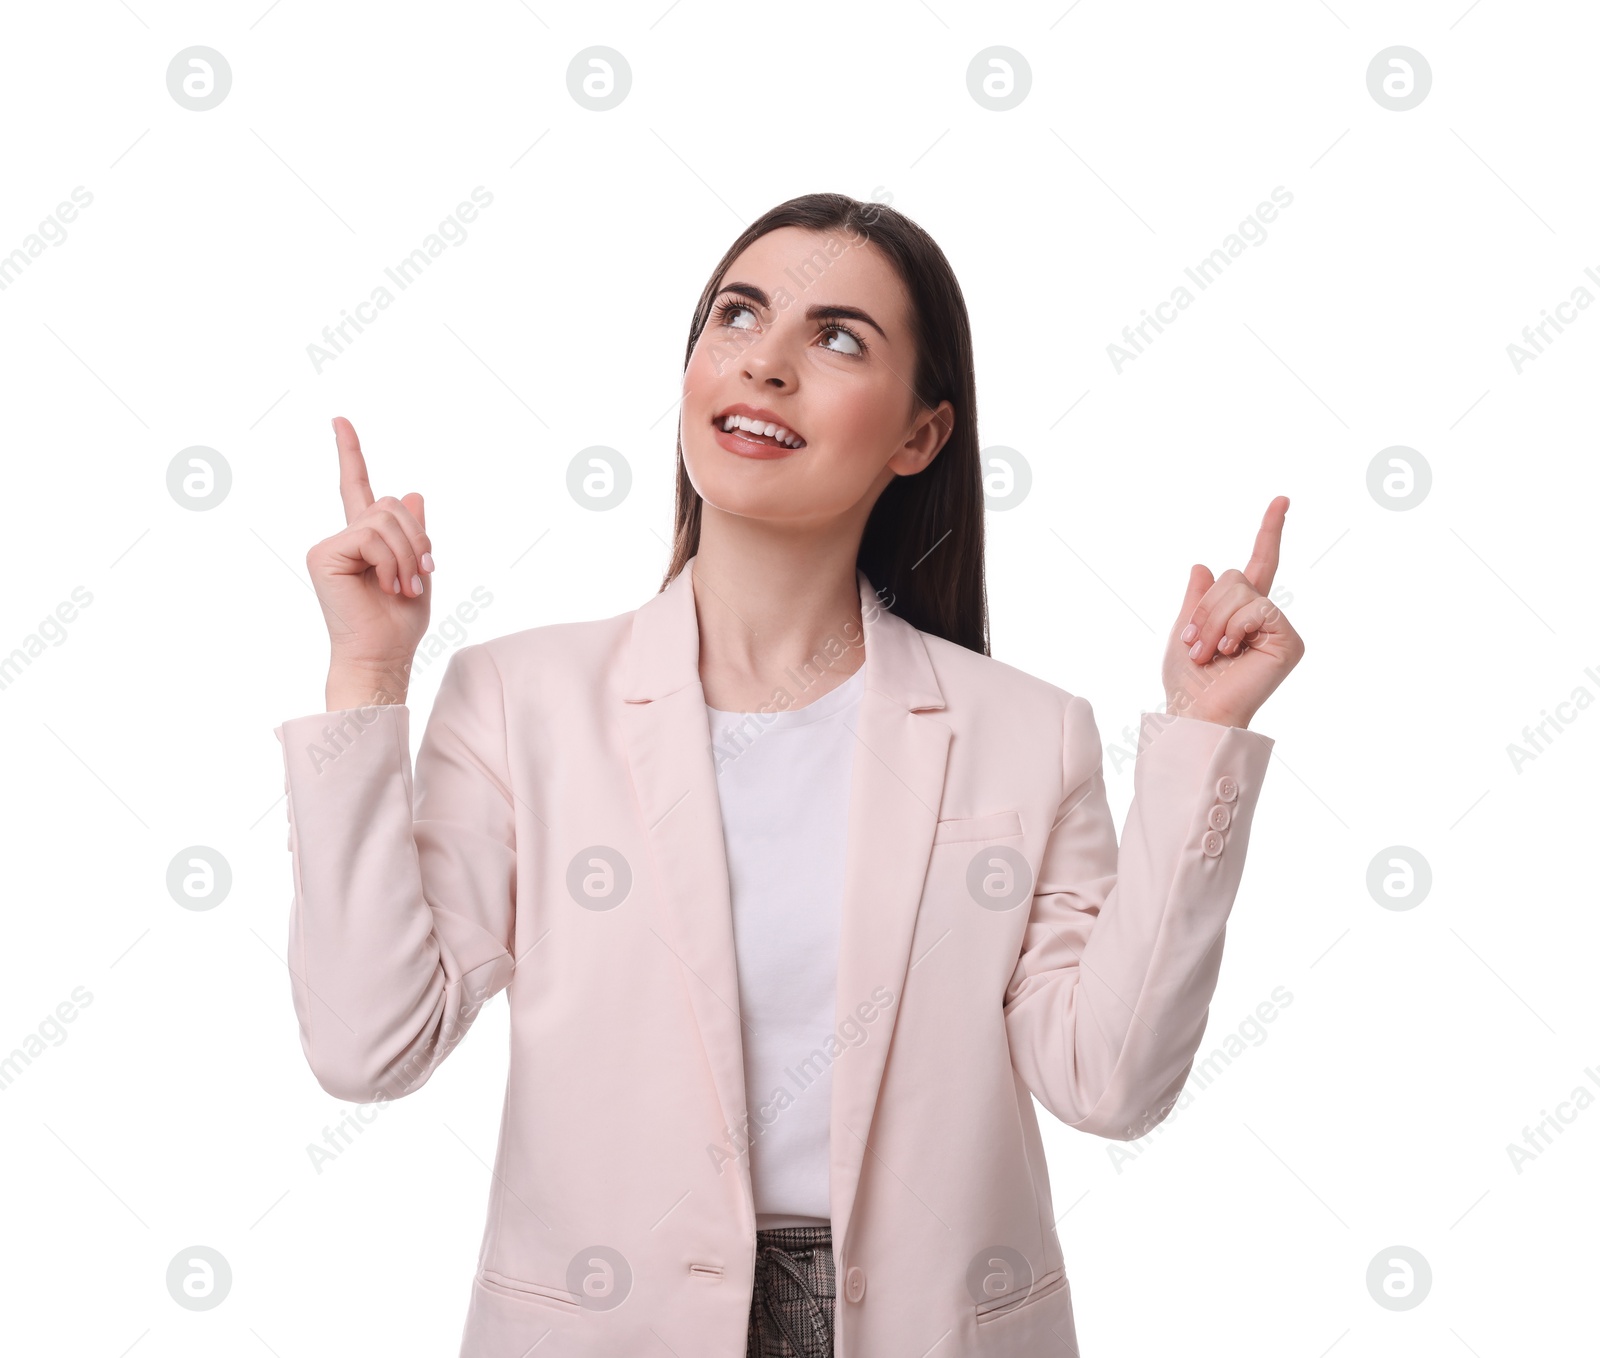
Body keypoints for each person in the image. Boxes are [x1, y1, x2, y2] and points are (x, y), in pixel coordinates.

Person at [275, 192, 1304, 1358]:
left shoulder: (1027, 732)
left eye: (836, 337)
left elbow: (1108, 1083)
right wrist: (366, 670)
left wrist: (1201, 735)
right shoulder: (521, 700)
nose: (764, 363)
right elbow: (369, 1043)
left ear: (920, 436)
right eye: (738, 316)